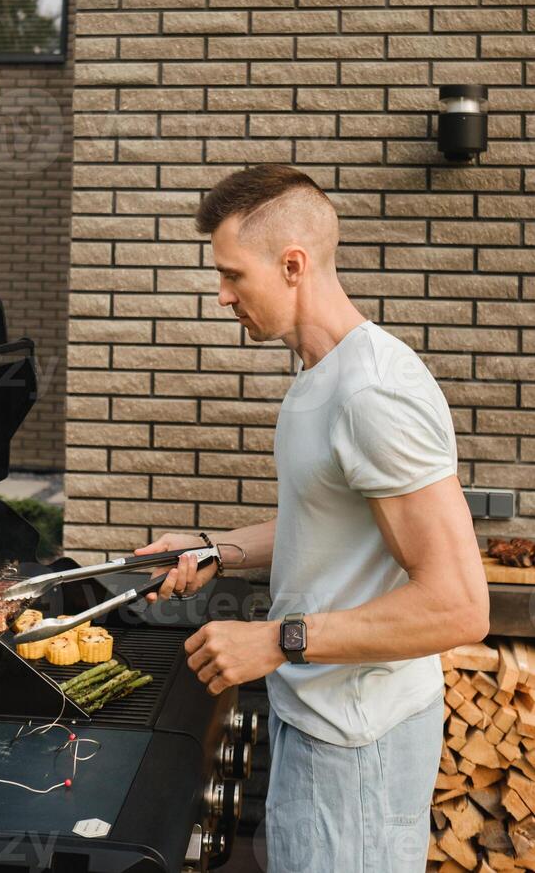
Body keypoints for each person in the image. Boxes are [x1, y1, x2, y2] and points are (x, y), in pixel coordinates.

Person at [133, 164, 490, 872]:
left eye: (233, 274)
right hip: (318, 719)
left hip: (358, 743)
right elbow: (329, 528)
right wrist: (215, 551)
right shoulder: (315, 378)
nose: (222, 294)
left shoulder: (373, 393)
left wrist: (277, 640)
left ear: (292, 265)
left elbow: (459, 605)